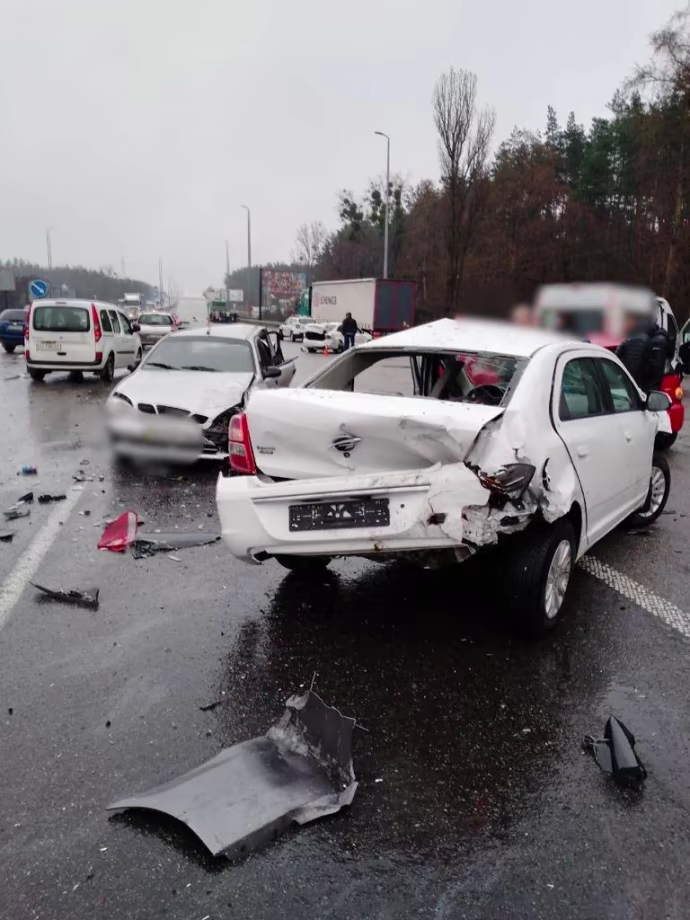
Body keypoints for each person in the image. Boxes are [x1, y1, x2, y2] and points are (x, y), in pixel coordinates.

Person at [616, 314, 671, 393]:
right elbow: (654, 367)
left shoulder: (629, 338)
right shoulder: (654, 340)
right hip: (646, 384)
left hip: (629, 382)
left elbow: (617, 355)